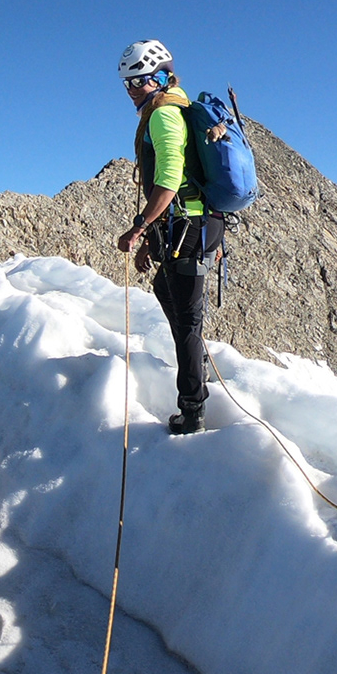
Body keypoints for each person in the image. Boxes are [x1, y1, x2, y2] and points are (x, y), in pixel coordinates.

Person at [114, 40, 224, 434]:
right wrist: (150, 241)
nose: (131, 91)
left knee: (188, 320)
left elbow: (167, 182)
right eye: (127, 84)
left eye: (138, 82)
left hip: (188, 227)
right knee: (168, 290)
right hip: (189, 225)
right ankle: (198, 372)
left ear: (159, 77)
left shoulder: (163, 116)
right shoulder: (172, 108)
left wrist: (138, 228)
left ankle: (192, 410)